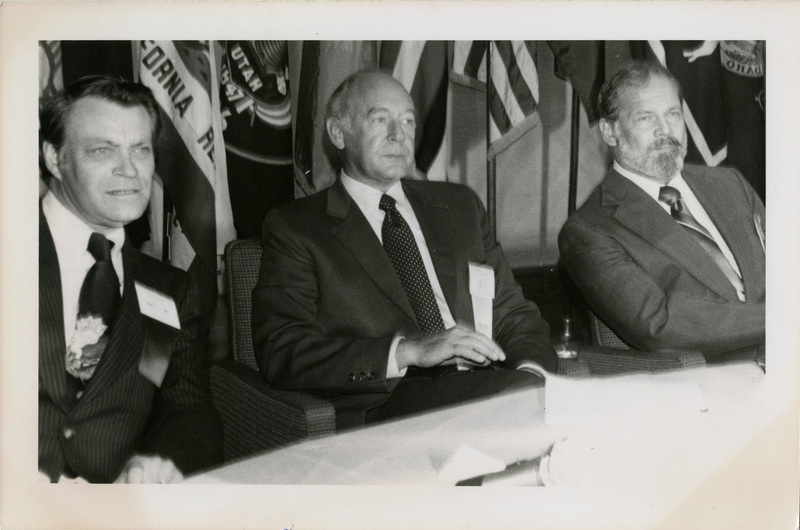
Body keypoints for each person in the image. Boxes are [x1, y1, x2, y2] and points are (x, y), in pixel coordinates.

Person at [252, 71, 557, 429]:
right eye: (380, 119)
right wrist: (410, 351)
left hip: (491, 387)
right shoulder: (297, 228)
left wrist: (533, 377)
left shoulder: (460, 207)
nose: (398, 136)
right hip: (386, 407)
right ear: (338, 133)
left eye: (408, 121)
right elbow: (283, 350)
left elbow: (514, 316)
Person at [39, 75, 223, 483]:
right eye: (103, 150)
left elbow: (188, 409)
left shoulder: (170, 289)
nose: (129, 170)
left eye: (140, 149)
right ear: (55, 157)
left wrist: (157, 463)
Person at [559, 62, 765, 363]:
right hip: (710, 382)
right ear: (610, 131)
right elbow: (660, 326)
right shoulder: (590, 230)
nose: (666, 131)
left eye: (673, 114)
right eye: (645, 118)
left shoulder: (730, 185)